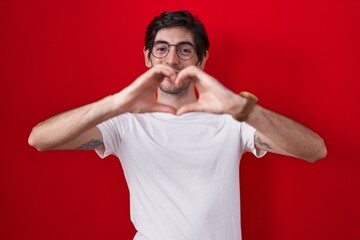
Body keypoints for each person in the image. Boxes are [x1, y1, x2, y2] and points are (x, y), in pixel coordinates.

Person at [28, 10, 327, 240]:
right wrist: (117, 103)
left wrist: (240, 107)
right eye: (161, 49)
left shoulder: (232, 121)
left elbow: (315, 150)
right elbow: (40, 139)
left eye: (184, 50)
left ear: (201, 60)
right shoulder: (124, 123)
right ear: (147, 57)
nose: (171, 60)